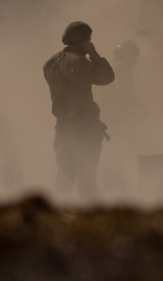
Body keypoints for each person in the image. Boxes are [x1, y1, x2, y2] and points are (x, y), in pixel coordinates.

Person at [43, 21, 115, 199]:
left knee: (64, 176)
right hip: (84, 126)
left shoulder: (50, 63)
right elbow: (106, 77)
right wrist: (94, 54)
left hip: (63, 127)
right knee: (87, 177)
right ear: (83, 41)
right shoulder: (80, 62)